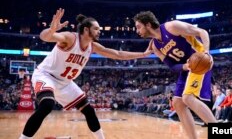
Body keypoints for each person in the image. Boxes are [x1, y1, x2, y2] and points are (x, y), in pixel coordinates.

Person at [19, 8, 152, 139]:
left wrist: (144, 54)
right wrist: (52, 29)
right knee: (47, 105)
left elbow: (118, 54)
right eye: (96, 29)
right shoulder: (70, 38)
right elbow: (45, 37)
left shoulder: (92, 46)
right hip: (46, 75)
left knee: (89, 110)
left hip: (65, 83)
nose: (99, 31)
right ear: (86, 29)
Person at [133, 11, 217, 139]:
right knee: (177, 103)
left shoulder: (172, 27)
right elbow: (172, 66)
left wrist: (206, 52)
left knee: (187, 98)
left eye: (138, 27)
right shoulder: (155, 47)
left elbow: (202, 32)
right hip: (187, 68)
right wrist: (185, 66)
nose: (137, 31)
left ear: (148, 24)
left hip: (200, 61)